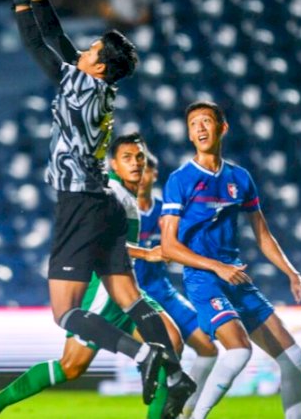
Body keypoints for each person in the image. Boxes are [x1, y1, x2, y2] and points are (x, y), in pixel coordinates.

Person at [5, 0, 195, 414]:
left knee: (65, 312)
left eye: (91, 50)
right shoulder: (97, 87)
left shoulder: (78, 88)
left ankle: (144, 356)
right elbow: (58, 36)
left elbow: (37, 43)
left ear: (100, 65)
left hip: (80, 204)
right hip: (106, 204)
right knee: (128, 296)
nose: (83, 50)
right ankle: (176, 373)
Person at [0, 133, 188, 419]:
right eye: (127, 158)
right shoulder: (112, 193)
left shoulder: (126, 195)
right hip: (104, 291)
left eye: (140, 157)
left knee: (171, 345)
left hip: (127, 289)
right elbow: (100, 242)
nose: (137, 163)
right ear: (113, 163)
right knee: (71, 366)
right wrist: (147, 253)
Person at [159, 101, 301, 419]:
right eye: (193, 124)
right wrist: (217, 266)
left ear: (222, 128)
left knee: (294, 357)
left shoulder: (239, 178)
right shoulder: (180, 179)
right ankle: (193, 416)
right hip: (204, 278)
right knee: (239, 351)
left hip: (236, 277)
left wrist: (292, 273)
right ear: (189, 134)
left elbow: (263, 235)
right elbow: (169, 246)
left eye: (206, 122)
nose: (200, 128)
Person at [136, 146, 219, 419]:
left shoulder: (164, 211)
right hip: (134, 294)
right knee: (164, 354)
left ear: (154, 174)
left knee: (208, 348)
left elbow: (178, 245)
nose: (139, 175)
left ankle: (184, 413)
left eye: (145, 169)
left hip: (163, 290)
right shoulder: (122, 210)